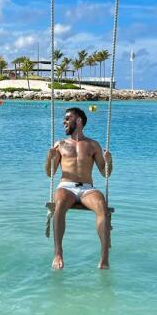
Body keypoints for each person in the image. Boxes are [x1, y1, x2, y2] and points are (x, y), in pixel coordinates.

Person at [45, 107, 113, 270]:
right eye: (64, 118)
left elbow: (105, 174)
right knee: (59, 202)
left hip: (87, 188)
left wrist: (109, 161)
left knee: (101, 205)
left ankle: (104, 257)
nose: (64, 121)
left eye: (68, 118)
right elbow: (50, 173)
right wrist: (49, 158)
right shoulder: (60, 144)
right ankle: (58, 253)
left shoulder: (92, 145)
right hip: (66, 187)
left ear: (79, 121)